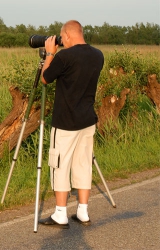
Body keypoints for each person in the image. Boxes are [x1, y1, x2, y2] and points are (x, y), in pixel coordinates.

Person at [38, 20, 104, 229]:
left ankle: (60, 214)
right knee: (83, 165)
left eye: (61, 37)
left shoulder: (64, 57)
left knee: (60, 165)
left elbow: (45, 79)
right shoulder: (98, 55)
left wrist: (50, 54)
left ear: (66, 35)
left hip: (65, 122)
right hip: (87, 121)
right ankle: (82, 212)